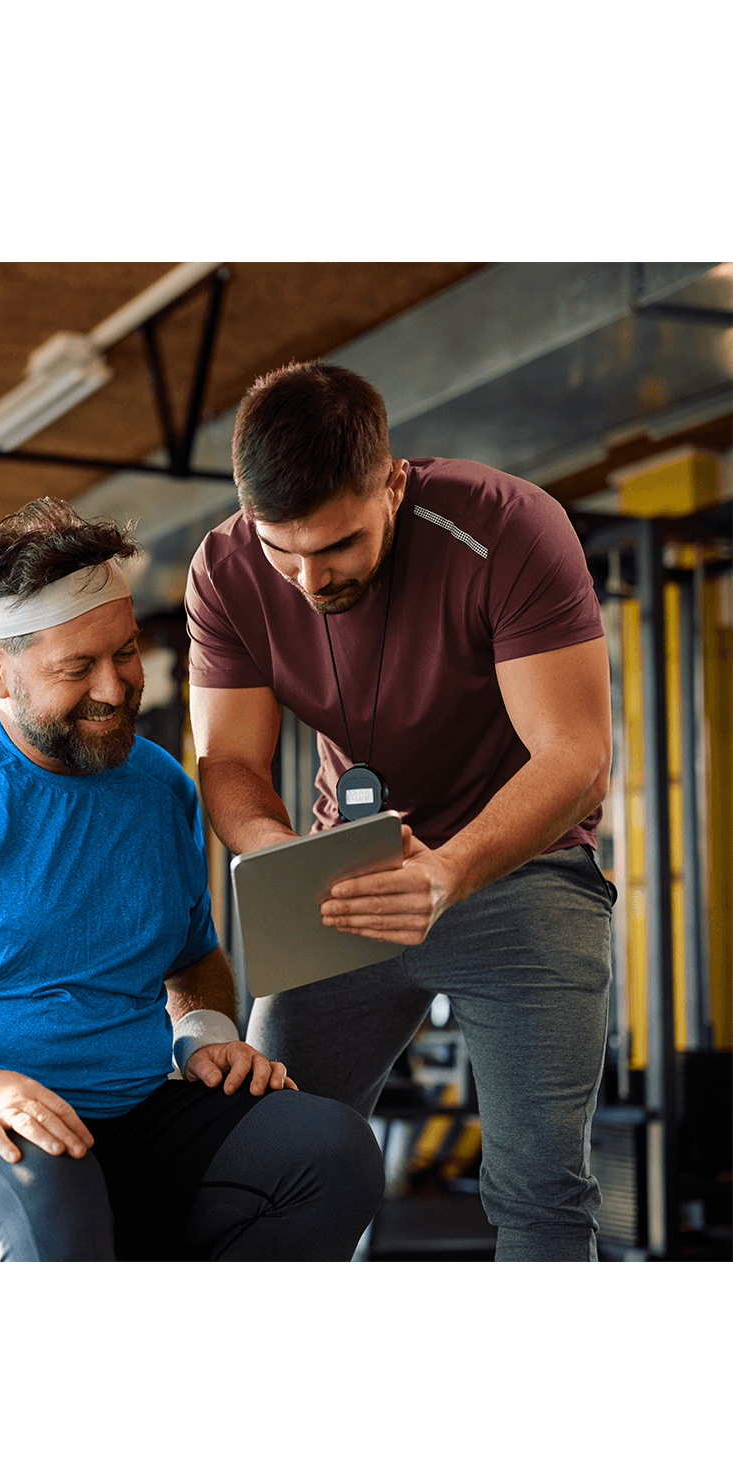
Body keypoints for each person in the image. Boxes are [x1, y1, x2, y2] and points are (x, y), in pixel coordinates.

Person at [0, 498, 383, 1262]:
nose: (113, 687)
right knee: (49, 1192)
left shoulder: (159, 788)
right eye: (77, 668)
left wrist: (203, 1037)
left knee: (330, 1154)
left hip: (119, 1114)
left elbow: (191, 959)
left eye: (125, 654)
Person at [186, 361, 614, 1262]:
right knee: (271, 1165)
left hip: (518, 867)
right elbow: (228, 757)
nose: (306, 579)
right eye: (282, 549)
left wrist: (449, 870)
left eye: (336, 546)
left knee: (541, 1192)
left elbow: (574, 758)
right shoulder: (225, 571)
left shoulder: (507, 527)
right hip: (347, 877)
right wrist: (278, 857)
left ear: (391, 481)